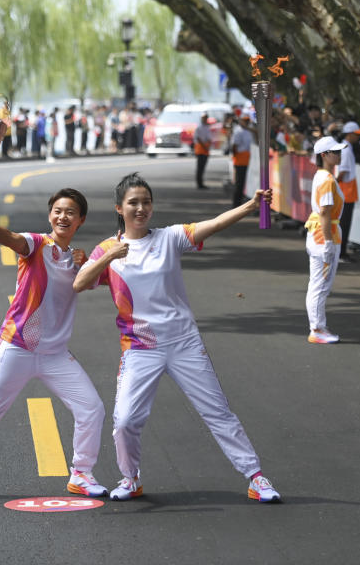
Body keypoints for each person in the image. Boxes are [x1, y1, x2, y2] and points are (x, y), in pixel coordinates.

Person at [73, 173, 280, 504]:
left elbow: (213, 224)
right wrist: (110, 256)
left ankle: (256, 477)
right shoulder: (108, 249)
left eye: (146, 202)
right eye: (133, 203)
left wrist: (251, 205)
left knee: (217, 411)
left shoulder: (169, 238)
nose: (141, 208)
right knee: (125, 420)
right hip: (141, 348)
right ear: (119, 208)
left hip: (184, 344)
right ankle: (130, 478)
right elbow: (80, 283)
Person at [0, 189, 107, 502]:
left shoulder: (77, 260)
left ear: (81, 220)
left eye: (71, 212)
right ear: (50, 215)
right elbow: (13, 240)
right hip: (17, 347)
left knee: (92, 409)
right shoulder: (37, 244)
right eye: (58, 210)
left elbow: (95, 281)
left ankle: (81, 474)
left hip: (55, 355)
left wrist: (88, 263)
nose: (63, 216)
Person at [304, 137, 346, 344]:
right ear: (324, 155)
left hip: (320, 234)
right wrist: (328, 242)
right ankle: (317, 328)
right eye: (335, 152)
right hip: (323, 235)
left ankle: (318, 326)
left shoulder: (323, 176)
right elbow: (325, 213)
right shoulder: (326, 180)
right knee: (320, 285)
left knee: (318, 284)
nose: (339, 154)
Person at [336, 121, 360, 261]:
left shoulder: (347, 148)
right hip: (346, 190)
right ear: (350, 134)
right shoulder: (346, 149)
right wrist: (335, 184)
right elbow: (343, 171)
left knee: (344, 223)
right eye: (356, 134)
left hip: (348, 190)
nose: (358, 137)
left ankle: (341, 251)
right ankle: (341, 253)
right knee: (344, 223)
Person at [230, 116, 253, 207]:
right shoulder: (238, 131)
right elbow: (234, 146)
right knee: (239, 183)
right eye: (244, 121)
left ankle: (240, 202)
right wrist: (236, 157)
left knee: (244, 183)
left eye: (247, 121)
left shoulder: (249, 131)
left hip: (248, 158)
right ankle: (236, 204)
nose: (246, 123)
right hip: (240, 159)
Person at [194, 113, 212, 189]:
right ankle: (199, 183)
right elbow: (198, 138)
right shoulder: (199, 127)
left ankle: (201, 183)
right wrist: (204, 146)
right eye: (203, 118)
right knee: (200, 167)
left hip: (206, 149)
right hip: (200, 149)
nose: (204, 119)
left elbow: (209, 138)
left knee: (203, 167)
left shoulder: (207, 127)